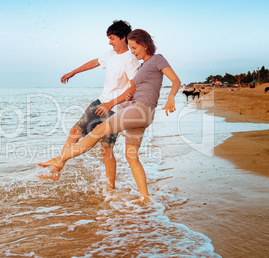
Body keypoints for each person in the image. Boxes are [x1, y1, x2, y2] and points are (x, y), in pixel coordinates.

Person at [38, 29, 181, 203]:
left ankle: (60, 160)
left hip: (140, 110)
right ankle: (145, 199)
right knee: (131, 156)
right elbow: (132, 90)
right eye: (131, 47)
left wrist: (172, 96)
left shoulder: (157, 59)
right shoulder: (142, 66)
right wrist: (128, 97)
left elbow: (175, 80)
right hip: (141, 112)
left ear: (145, 45)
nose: (133, 51)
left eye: (135, 47)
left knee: (98, 130)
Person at [37, 20, 140, 190]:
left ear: (123, 38)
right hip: (100, 102)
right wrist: (73, 72)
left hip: (116, 110)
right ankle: (57, 169)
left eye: (112, 38)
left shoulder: (130, 60)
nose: (110, 42)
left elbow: (133, 87)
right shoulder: (110, 54)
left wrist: (111, 103)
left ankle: (110, 188)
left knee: (106, 150)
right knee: (74, 131)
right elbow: (95, 62)